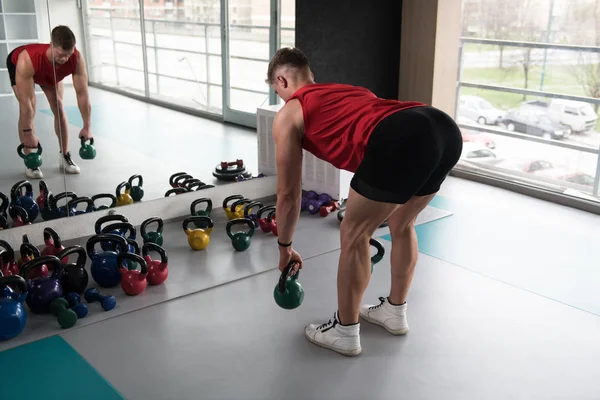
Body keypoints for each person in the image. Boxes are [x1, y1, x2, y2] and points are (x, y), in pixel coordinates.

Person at [267, 47, 463, 356]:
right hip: (444, 129)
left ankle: (345, 331)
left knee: (354, 233)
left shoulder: (290, 112)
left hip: (403, 136)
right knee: (402, 222)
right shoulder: (349, 90)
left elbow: (289, 194)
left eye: (277, 90)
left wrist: (285, 248)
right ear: (311, 76)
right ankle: (394, 313)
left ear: (281, 81)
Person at [6, 25, 93, 179]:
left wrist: (87, 126)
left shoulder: (76, 59)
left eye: (68, 54)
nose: (64, 59)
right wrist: (28, 133)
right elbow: (25, 102)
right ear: (51, 45)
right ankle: (31, 161)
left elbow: (82, 94)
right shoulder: (27, 59)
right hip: (25, 66)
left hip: (48, 71)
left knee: (58, 107)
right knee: (30, 106)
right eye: (60, 54)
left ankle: (65, 156)